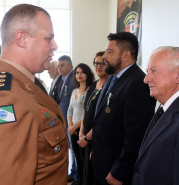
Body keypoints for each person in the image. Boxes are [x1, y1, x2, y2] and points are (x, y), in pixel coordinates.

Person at [0, 4, 68, 185]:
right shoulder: (5, 97)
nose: (55, 46)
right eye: (48, 38)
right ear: (22, 39)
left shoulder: (22, 82)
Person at [132, 46, 179, 185]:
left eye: (153, 71)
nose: (146, 79)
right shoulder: (167, 107)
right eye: (147, 71)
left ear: (178, 75)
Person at [92, 32, 156, 185]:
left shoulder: (138, 84)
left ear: (126, 55)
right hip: (103, 163)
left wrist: (119, 172)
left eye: (110, 52)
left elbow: (136, 137)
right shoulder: (114, 78)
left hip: (116, 172)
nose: (105, 56)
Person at [78, 51, 109, 185]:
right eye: (96, 63)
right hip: (86, 138)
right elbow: (86, 110)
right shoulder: (92, 86)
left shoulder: (109, 87)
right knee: (86, 175)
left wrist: (87, 137)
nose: (99, 66)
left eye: (102, 63)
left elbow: (104, 119)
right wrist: (81, 132)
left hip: (98, 139)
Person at [67, 63, 95, 185]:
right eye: (77, 72)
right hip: (72, 130)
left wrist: (75, 127)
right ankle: (78, 179)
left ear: (87, 74)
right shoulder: (74, 91)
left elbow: (86, 112)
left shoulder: (91, 91)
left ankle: (84, 181)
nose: (79, 75)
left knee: (85, 161)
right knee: (77, 158)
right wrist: (70, 126)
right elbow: (70, 110)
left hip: (82, 130)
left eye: (82, 72)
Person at [56, 55, 77, 182]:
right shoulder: (63, 79)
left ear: (70, 65)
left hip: (73, 120)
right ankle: (73, 171)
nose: (59, 68)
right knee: (70, 148)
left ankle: (75, 173)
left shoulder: (73, 79)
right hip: (65, 119)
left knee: (74, 149)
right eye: (58, 66)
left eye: (62, 65)